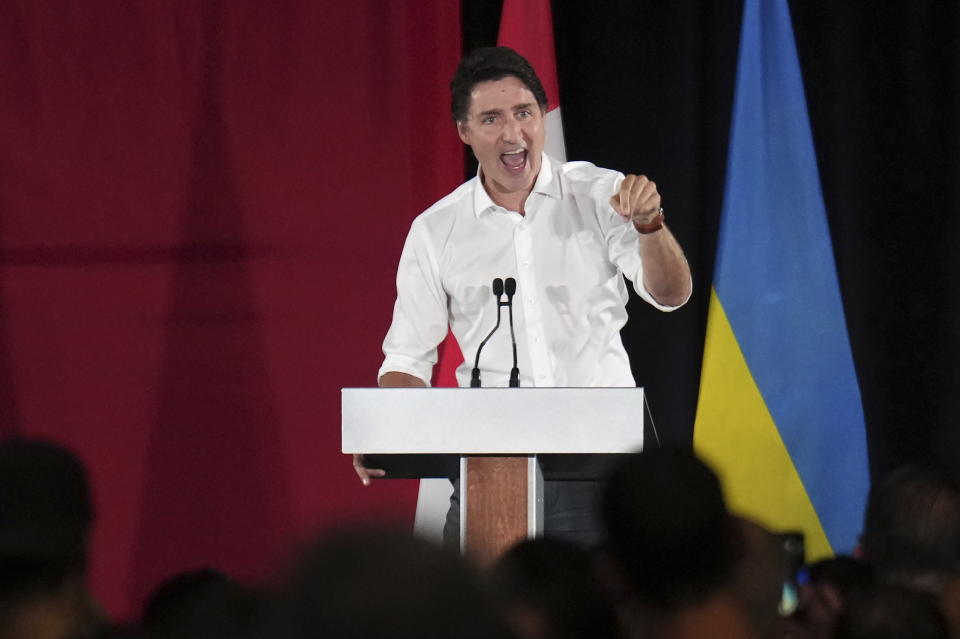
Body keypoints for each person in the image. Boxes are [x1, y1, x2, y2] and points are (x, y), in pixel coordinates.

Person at [353, 46, 692, 545]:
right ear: (465, 134)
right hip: (492, 464)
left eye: (524, 113)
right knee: (478, 619)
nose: (513, 133)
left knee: (601, 618)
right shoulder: (435, 230)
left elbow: (671, 294)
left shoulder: (601, 195)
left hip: (602, 462)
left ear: (541, 117)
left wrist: (650, 224)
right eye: (491, 119)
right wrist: (390, 431)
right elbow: (407, 357)